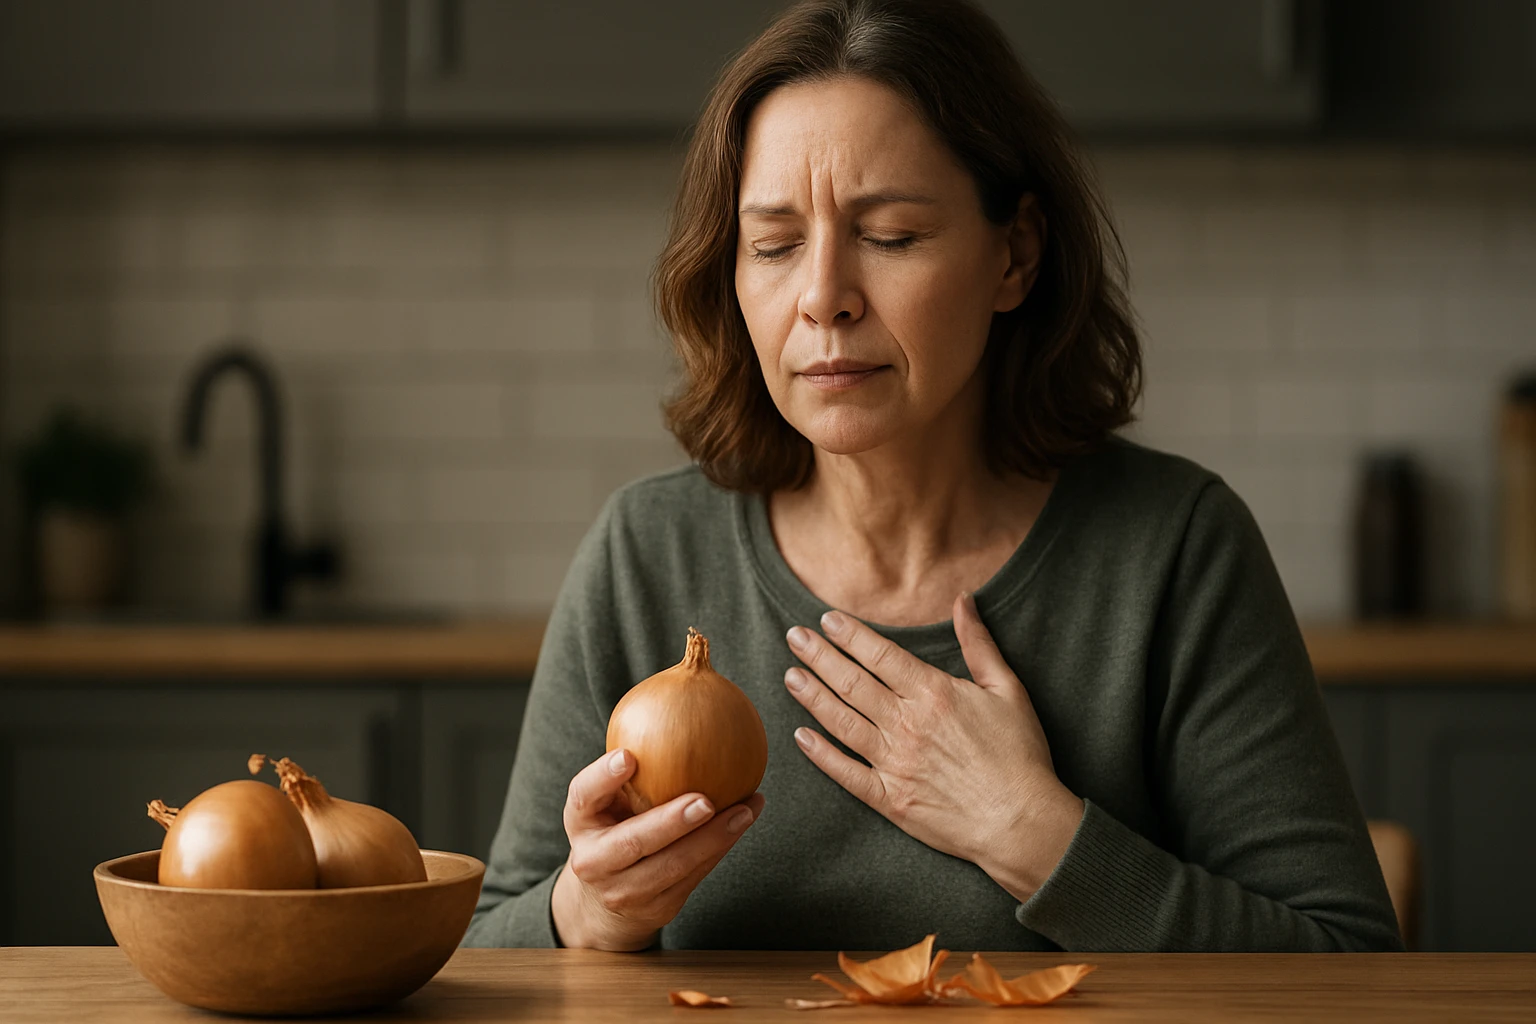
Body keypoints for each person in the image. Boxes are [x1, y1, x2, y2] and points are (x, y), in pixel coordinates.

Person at [465, 0, 1403, 953]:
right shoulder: (645, 555)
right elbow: (488, 951)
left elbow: (1351, 967)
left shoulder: (1175, 548)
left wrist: (1034, 835)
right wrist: (590, 911)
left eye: (893, 236)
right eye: (775, 245)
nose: (823, 298)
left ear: (1016, 254)